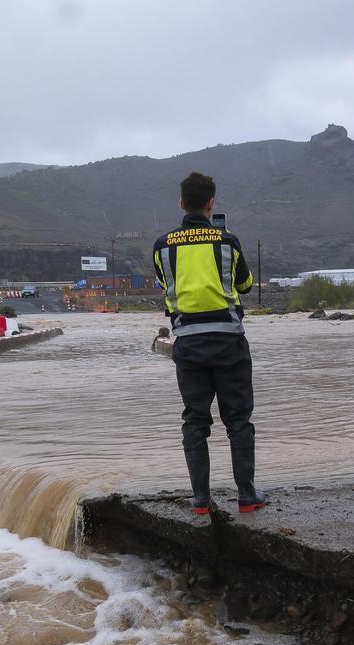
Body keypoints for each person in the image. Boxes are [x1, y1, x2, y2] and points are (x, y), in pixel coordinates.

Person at [152, 172, 266, 515]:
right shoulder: (227, 242)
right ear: (211, 203)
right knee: (239, 421)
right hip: (229, 341)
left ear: (181, 203)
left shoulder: (163, 246)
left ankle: (201, 500)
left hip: (187, 342)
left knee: (195, 422)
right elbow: (244, 284)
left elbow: (165, 284)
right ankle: (247, 496)